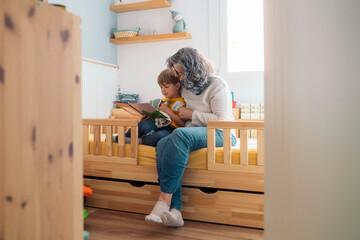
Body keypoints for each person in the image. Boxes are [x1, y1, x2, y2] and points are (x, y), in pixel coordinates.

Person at [145, 47, 236, 227]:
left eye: (180, 73)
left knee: (180, 135)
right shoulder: (185, 86)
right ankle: (175, 212)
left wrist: (192, 114)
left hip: (220, 133)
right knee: (163, 143)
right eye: (176, 73)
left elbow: (222, 120)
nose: (178, 77)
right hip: (191, 133)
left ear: (193, 70)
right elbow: (171, 100)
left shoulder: (217, 85)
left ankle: (164, 201)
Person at [124, 69, 186, 147]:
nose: (163, 90)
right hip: (158, 124)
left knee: (162, 136)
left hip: (171, 130)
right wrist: (149, 116)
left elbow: (182, 123)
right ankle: (123, 137)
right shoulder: (162, 101)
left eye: (166, 87)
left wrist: (168, 111)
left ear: (177, 86)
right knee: (144, 124)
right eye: (161, 87)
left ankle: (139, 140)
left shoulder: (180, 103)